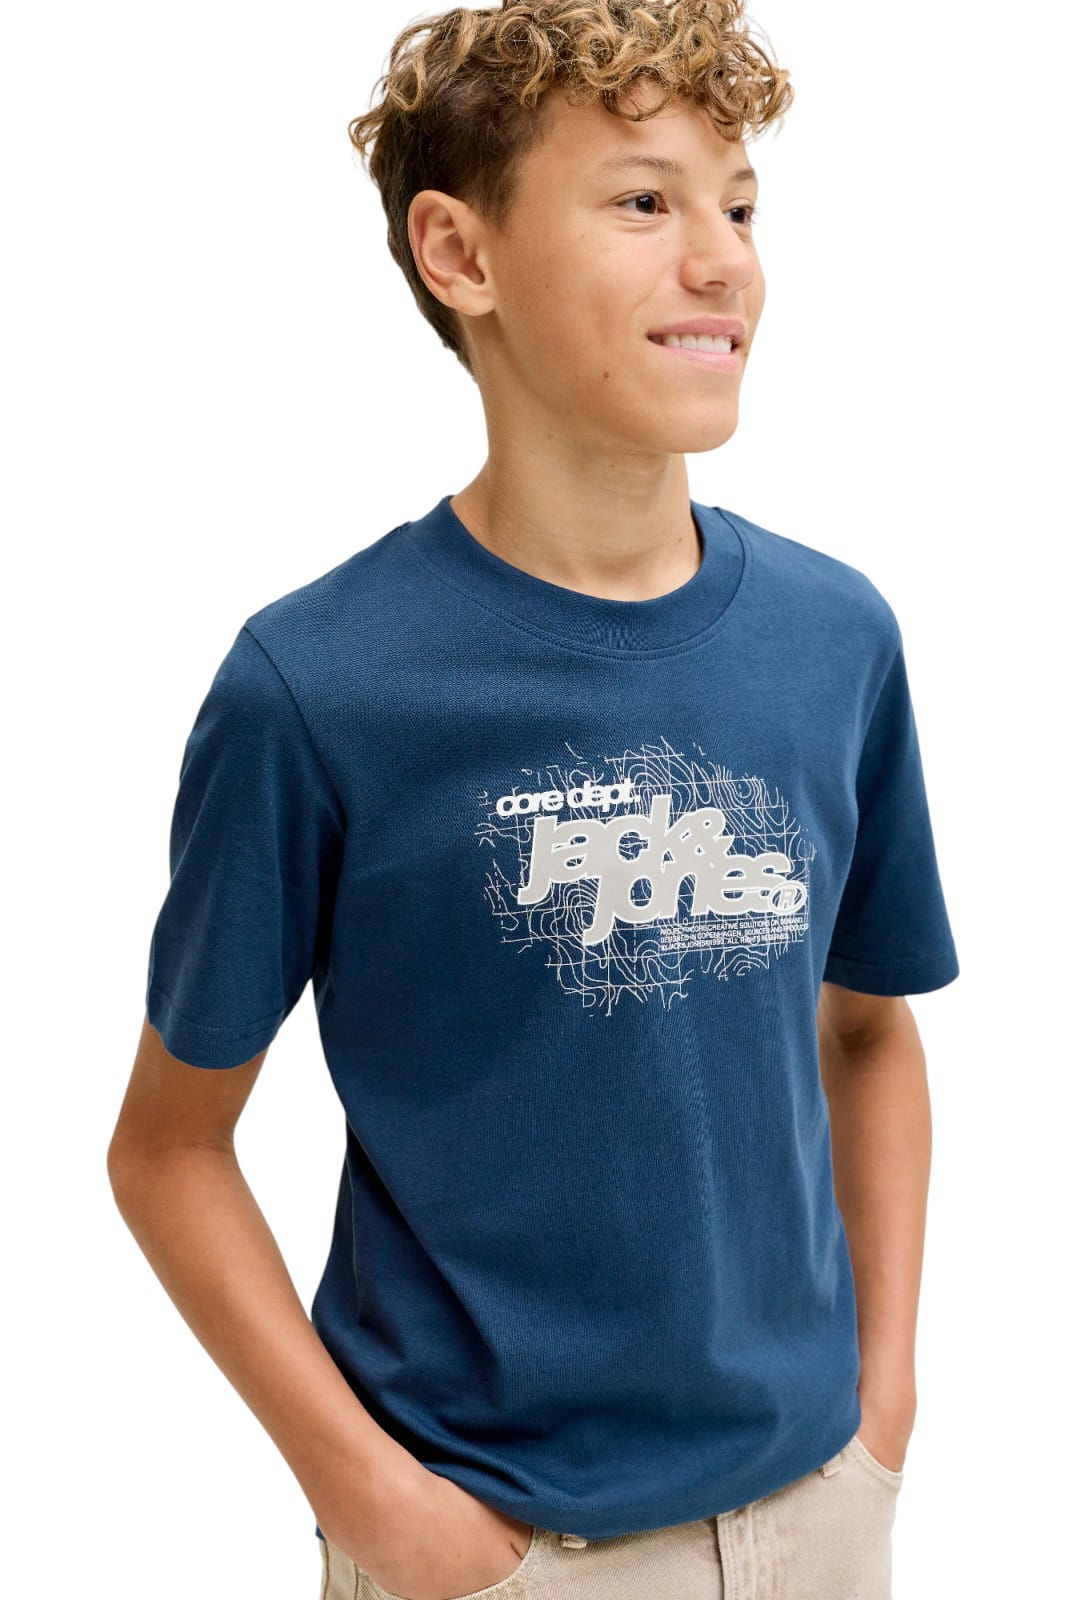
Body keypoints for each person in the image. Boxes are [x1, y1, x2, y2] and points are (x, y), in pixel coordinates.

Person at [107, 4, 960, 1597]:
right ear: (460, 253)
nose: (721, 260)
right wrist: (379, 1505)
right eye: (643, 201)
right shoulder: (321, 686)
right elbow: (169, 1150)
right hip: (498, 1544)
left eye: (739, 205)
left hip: (817, 1512)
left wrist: (882, 1401)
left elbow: (865, 1032)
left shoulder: (832, 638)